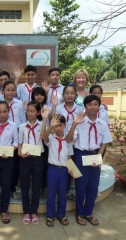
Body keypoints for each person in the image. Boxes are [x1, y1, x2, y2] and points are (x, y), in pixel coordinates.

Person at [66, 95, 112, 226]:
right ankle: (80, 213)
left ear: (99, 106)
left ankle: (88, 213)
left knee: (93, 187)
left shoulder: (102, 124)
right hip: (81, 155)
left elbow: (104, 143)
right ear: (85, 107)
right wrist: (74, 124)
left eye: (95, 104)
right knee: (81, 186)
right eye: (89, 104)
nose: (92, 107)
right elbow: (69, 140)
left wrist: (98, 157)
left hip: (96, 155)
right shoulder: (79, 122)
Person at [41, 112, 73, 227]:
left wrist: (72, 169)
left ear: (64, 125)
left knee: (62, 193)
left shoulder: (68, 140)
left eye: (60, 125)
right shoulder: (50, 137)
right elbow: (43, 137)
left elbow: (69, 156)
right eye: (55, 125)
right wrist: (50, 126)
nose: (58, 128)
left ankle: (61, 215)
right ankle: (50, 215)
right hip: (52, 169)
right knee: (51, 194)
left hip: (64, 170)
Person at [53, 84, 84, 201]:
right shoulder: (60, 108)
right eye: (67, 93)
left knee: (73, 165)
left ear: (76, 95)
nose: (69, 95)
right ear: (63, 95)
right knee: (63, 164)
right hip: (61, 140)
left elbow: (81, 126)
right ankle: (62, 189)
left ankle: (71, 189)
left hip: (75, 142)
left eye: (72, 93)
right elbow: (55, 121)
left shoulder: (80, 109)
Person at [18, 101, 44, 225]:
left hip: (38, 158)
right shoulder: (22, 126)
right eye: (28, 111)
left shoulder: (42, 125)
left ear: (38, 112)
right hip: (25, 158)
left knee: (36, 186)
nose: (30, 113)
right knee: (24, 185)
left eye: (32, 111)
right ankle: (26, 211)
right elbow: (20, 142)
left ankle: (34, 211)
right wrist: (19, 152)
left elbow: (45, 138)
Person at [2, 81, 26, 200]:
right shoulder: (0, 104)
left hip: (16, 135)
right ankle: (4, 188)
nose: (10, 92)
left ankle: (12, 189)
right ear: (3, 91)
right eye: (8, 90)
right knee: (4, 163)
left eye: (13, 90)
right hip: (3, 135)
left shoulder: (19, 103)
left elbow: (22, 121)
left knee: (15, 165)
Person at [31, 87, 49, 199]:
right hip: (31, 140)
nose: (39, 97)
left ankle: (43, 188)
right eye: (36, 95)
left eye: (41, 94)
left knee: (43, 165)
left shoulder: (47, 108)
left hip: (44, 139)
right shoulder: (30, 107)